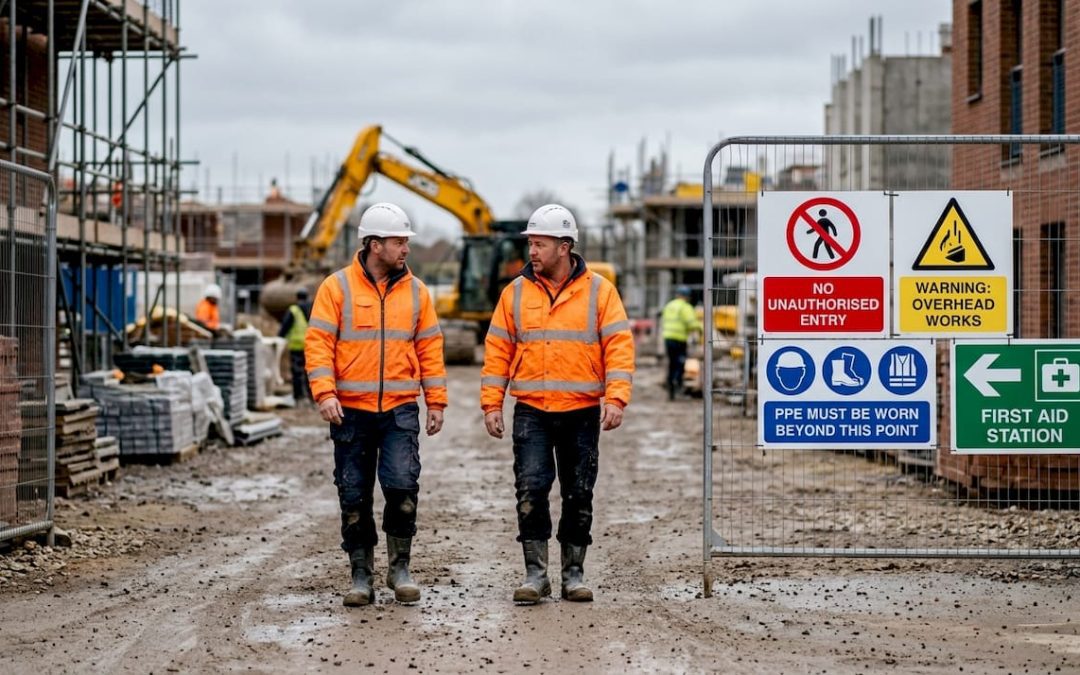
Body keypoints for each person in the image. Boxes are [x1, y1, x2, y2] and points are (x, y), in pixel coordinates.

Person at [481, 203, 635, 605]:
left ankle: (573, 574)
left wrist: (616, 397)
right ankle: (536, 574)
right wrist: (491, 404)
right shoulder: (514, 292)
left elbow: (619, 346)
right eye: (530, 243)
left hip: (581, 410)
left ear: (564, 246)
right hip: (531, 409)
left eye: (539, 243)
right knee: (530, 489)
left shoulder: (601, 292)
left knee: (578, 492)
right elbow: (497, 350)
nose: (531, 251)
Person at [305, 202, 448, 607]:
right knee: (354, 494)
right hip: (350, 410)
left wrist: (436, 401)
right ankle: (361, 575)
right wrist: (325, 393)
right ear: (373, 244)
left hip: (400, 408)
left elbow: (430, 349)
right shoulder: (336, 288)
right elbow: (318, 346)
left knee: (403, 486)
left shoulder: (418, 292)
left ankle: (400, 568)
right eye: (398, 241)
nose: (405, 249)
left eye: (406, 241)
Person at [661, 286, 702, 401]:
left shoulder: (669, 305)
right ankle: (678, 388)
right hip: (679, 339)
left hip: (668, 338)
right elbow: (691, 323)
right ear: (687, 297)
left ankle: (670, 390)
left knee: (671, 364)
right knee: (680, 364)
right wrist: (701, 328)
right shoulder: (685, 307)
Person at [277, 287, 313, 404]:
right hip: (310, 346)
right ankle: (312, 396)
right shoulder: (312, 309)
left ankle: (298, 397)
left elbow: (285, 327)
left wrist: (279, 337)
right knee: (310, 372)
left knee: (297, 372)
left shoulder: (294, 310)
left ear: (297, 297)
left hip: (297, 347)